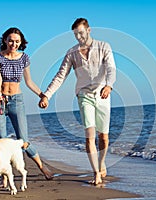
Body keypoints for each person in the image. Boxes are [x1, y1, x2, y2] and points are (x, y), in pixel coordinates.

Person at [39, 18, 116, 185]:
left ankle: (101, 162)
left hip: (103, 94)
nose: (79, 37)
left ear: (89, 30)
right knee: (89, 137)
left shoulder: (104, 46)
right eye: (75, 34)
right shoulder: (71, 53)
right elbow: (60, 76)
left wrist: (109, 86)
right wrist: (47, 95)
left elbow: (111, 68)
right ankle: (96, 172)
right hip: (84, 96)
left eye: (81, 32)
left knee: (104, 137)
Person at [0, 27, 54, 181]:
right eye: (11, 40)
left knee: (23, 141)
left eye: (17, 41)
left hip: (17, 101)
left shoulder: (24, 58)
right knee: (2, 141)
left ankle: (42, 167)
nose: (14, 44)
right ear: (5, 40)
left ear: (21, 42)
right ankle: (6, 177)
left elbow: (29, 81)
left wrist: (42, 95)